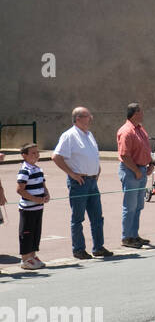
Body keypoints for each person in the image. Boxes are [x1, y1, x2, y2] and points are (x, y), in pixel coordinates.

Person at [52, 107, 111, 260]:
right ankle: (78, 249)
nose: (91, 118)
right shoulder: (69, 135)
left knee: (97, 217)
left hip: (92, 181)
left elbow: (92, 155)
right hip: (79, 182)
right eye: (87, 116)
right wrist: (71, 173)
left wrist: (97, 170)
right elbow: (56, 156)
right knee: (78, 218)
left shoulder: (89, 134)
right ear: (78, 118)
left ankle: (98, 247)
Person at [116, 102, 153, 248]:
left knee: (138, 206)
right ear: (135, 113)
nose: (143, 114)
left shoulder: (140, 129)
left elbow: (145, 148)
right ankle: (127, 237)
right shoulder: (126, 131)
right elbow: (124, 155)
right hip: (131, 171)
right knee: (130, 206)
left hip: (141, 170)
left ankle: (134, 235)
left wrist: (150, 164)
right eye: (141, 112)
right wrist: (137, 171)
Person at [15, 143, 50, 270]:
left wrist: (46, 195)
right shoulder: (25, 170)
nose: (36, 155)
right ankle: (25, 259)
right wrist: (36, 199)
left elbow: (43, 185)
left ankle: (33, 255)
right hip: (27, 209)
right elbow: (20, 190)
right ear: (24, 155)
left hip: (38, 208)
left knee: (36, 232)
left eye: (37, 152)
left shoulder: (38, 169)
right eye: (33, 153)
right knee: (27, 233)